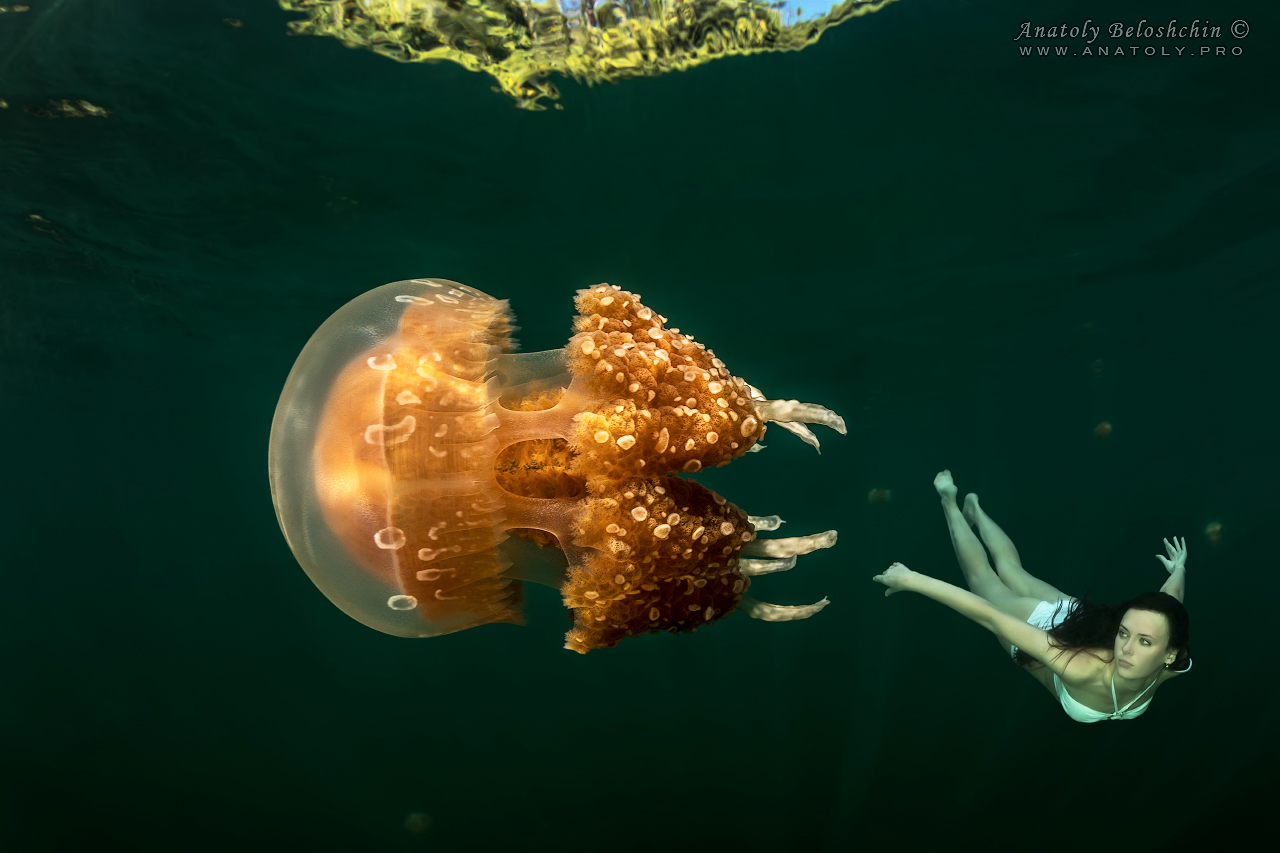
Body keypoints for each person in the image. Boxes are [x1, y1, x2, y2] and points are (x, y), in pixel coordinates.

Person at [872, 470, 1192, 722]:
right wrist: (913, 580)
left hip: (1078, 617)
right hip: (1044, 627)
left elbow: (1171, 601)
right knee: (983, 579)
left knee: (1012, 571)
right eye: (1124, 633)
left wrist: (1179, 569)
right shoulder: (1082, 667)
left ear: (1169, 654)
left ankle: (977, 510)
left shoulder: (1175, 667)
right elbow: (990, 616)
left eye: (1145, 641)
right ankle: (950, 502)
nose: (1126, 648)